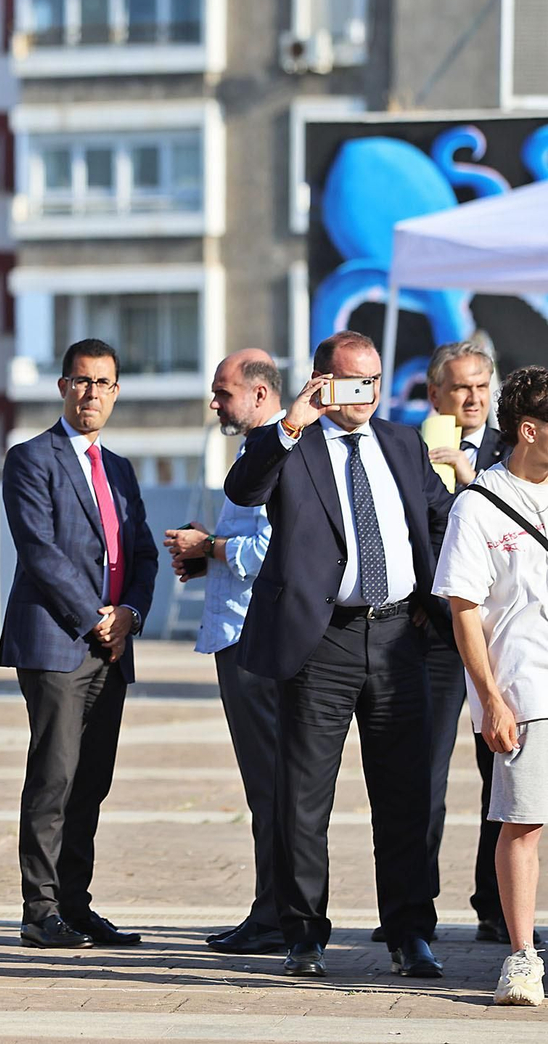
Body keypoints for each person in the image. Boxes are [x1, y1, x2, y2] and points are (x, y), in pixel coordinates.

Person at [225, 331, 452, 979]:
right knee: (303, 798)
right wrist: (291, 424)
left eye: (376, 380)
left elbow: (438, 519)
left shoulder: (404, 445)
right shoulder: (294, 445)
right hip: (320, 640)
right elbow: (243, 488)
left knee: (407, 792)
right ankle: (304, 935)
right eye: (354, 381)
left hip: (397, 637)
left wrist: (434, 599)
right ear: (322, 380)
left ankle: (411, 932)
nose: (368, 394)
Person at [0, 338, 157, 950]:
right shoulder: (31, 458)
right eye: (82, 381)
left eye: (104, 383)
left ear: (116, 392)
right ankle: (39, 911)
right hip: (60, 640)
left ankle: (74, 903)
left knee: (92, 780)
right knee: (54, 777)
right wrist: (97, 619)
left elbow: (140, 552)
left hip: (114, 645)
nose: (92, 393)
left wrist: (131, 614)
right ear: (64, 386)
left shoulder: (120, 467)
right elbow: (39, 551)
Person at [163, 350, 287, 956]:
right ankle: (274, 908)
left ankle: (278, 914)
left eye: (224, 391)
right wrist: (206, 551)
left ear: (260, 395)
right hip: (239, 633)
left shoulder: (280, 453)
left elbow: (268, 553)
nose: (215, 403)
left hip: (255, 640)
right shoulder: (255, 450)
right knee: (265, 786)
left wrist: (208, 545)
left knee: (271, 785)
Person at [432, 365, 548, 1006]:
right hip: (527, 691)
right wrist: (492, 698)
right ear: (529, 430)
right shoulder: (479, 505)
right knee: (523, 822)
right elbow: (464, 608)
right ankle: (522, 957)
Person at [420, 340, 517, 946]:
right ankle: (411, 911)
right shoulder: (412, 451)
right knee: (421, 777)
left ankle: (495, 904)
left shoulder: (520, 451)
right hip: (430, 635)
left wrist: (471, 482)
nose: (475, 398)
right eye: (461, 387)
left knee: (503, 771)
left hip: (502, 640)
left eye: (483, 386)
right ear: (436, 395)